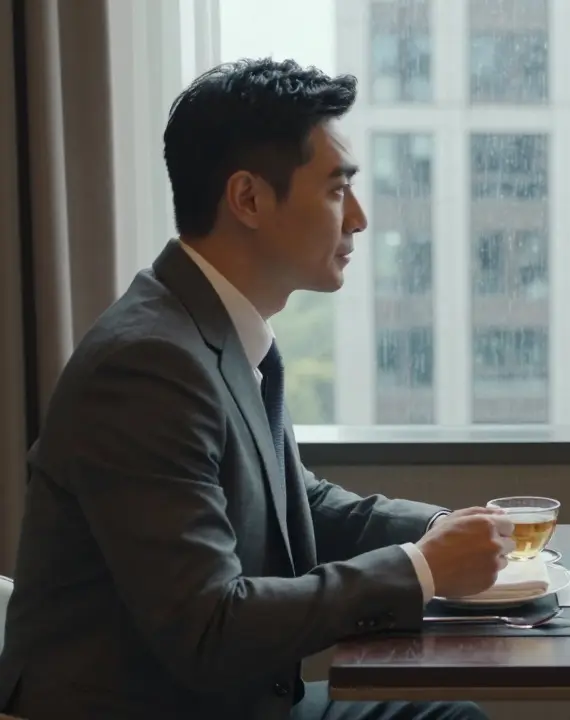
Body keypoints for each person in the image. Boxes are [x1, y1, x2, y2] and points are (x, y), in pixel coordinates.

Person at [0, 58, 511, 720]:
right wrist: (422, 569)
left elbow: (299, 501)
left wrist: (443, 529)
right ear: (248, 199)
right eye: (336, 190)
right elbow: (211, 628)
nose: (357, 217)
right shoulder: (147, 367)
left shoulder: (208, 329)